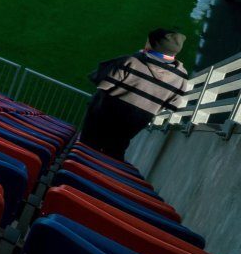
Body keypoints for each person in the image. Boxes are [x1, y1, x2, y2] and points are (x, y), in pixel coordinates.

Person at [80, 28, 188, 160]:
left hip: (99, 123)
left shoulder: (131, 61)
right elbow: (172, 105)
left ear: (153, 44)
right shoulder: (181, 76)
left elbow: (101, 82)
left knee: (83, 154)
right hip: (130, 129)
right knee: (111, 158)